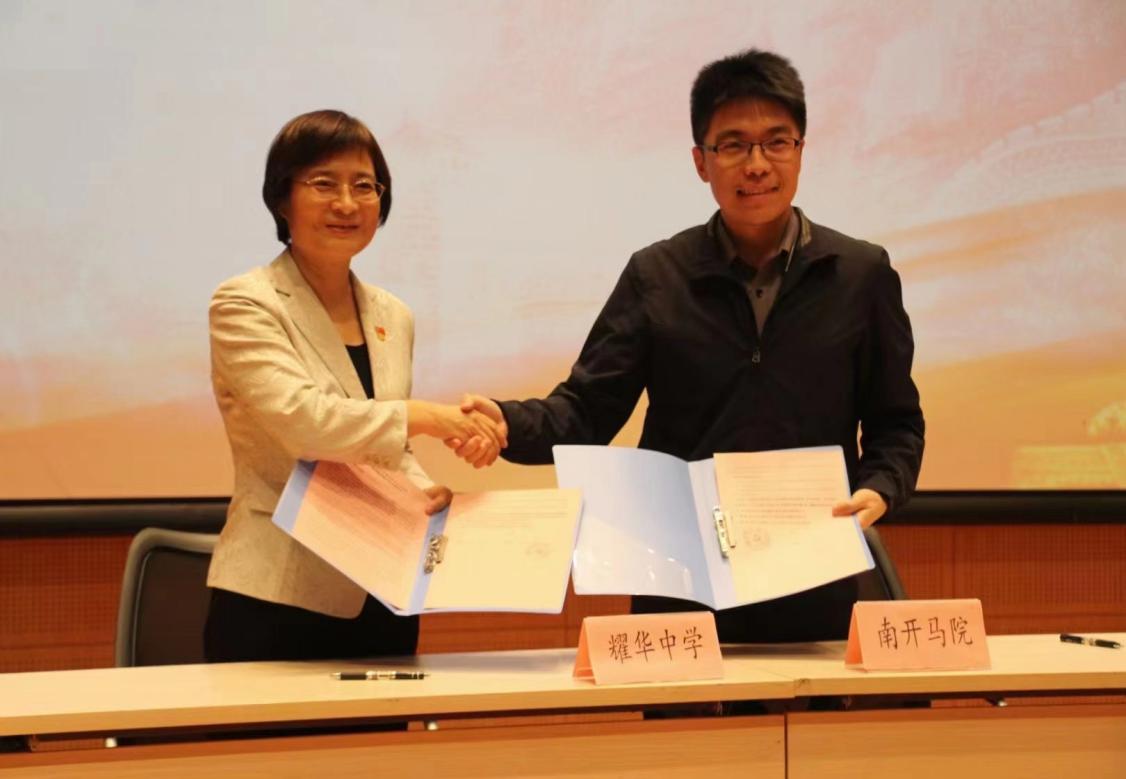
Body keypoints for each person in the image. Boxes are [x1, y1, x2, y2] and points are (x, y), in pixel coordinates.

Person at [452, 49, 925, 643]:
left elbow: (896, 423)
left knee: (809, 706)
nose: (757, 164)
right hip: (679, 585)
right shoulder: (657, 275)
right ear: (702, 162)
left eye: (776, 142)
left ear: (801, 150)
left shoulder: (860, 274)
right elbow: (586, 411)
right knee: (680, 710)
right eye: (733, 145)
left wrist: (879, 488)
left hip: (813, 581)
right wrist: (506, 423)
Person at [204, 110, 505, 662]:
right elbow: (305, 423)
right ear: (281, 198)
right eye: (324, 183)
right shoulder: (245, 302)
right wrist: (429, 416)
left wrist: (425, 491)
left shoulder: (394, 314)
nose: (347, 203)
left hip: (384, 586)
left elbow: (387, 447)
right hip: (278, 594)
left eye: (364, 186)